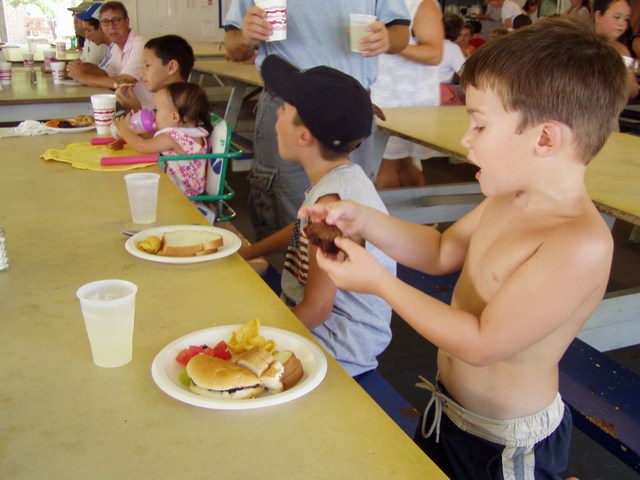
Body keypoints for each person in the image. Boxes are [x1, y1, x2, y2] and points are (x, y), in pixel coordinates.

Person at [299, 17, 627, 479]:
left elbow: (481, 343)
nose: (465, 140)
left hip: (505, 445)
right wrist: (365, 220)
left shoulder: (577, 244)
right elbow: (440, 251)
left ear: (545, 138)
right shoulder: (507, 200)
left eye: (479, 125)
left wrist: (379, 282)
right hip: (447, 410)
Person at [239, 55, 396, 377]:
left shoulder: (331, 205)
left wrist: (253, 351)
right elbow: (301, 229)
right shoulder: (341, 179)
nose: (277, 112)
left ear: (304, 136)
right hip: (335, 329)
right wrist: (249, 252)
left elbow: (318, 308)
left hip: (338, 347)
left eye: (284, 107)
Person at [224, 0, 411, 241]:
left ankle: (325, 263)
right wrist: (246, 37)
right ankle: (291, 264)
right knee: (287, 207)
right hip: (287, 99)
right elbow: (234, 46)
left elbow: (400, 32)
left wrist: (386, 38)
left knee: (350, 210)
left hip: (350, 105)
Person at [372, 0, 444, 189]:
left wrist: (391, 42)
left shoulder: (420, 3)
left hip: (403, 101)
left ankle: (387, 209)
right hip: (384, 96)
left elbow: (434, 54)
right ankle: (418, 209)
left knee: (383, 164)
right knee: (401, 163)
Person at [115, 83, 212, 196]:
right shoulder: (197, 133)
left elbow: (142, 146)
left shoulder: (171, 137)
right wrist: (141, 128)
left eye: (156, 110)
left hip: (178, 196)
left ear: (174, 117)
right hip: (189, 194)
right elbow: (154, 140)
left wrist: (124, 130)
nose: (153, 114)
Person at [67, 1, 154, 110]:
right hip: (128, 109)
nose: (111, 27)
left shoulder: (140, 45)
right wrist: (78, 68)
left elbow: (124, 82)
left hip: (147, 113)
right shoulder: (115, 46)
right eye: (105, 22)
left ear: (127, 21)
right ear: (101, 26)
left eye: (116, 20)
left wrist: (83, 77)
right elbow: (105, 73)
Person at [117, 35, 195, 112]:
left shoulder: (184, 104)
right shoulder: (165, 99)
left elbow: (160, 121)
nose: (141, 73)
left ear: (171, 67)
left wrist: (137, 110)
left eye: (147, 65)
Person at [593, 0, 640, 98]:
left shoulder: (622, 51)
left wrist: (628, 85)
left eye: (626, 19)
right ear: (598, 16)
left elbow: (633, 87)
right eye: (616, 17)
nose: (622, 23)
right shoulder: (581, 46)